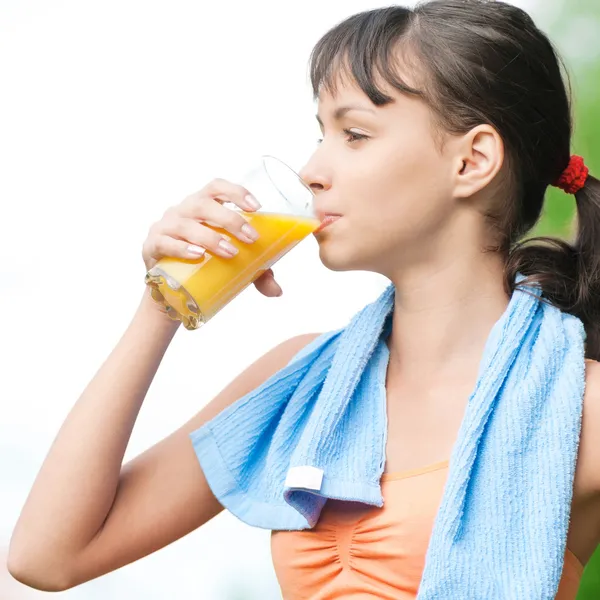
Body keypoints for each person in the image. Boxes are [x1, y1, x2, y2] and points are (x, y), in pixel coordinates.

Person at [7, 0, 600, 598]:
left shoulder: (581, 404)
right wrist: (162, 301)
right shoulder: (302, 381)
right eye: (321, 134)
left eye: (355, 134)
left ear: (472, 160)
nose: (312, 170)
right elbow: (48, 556)